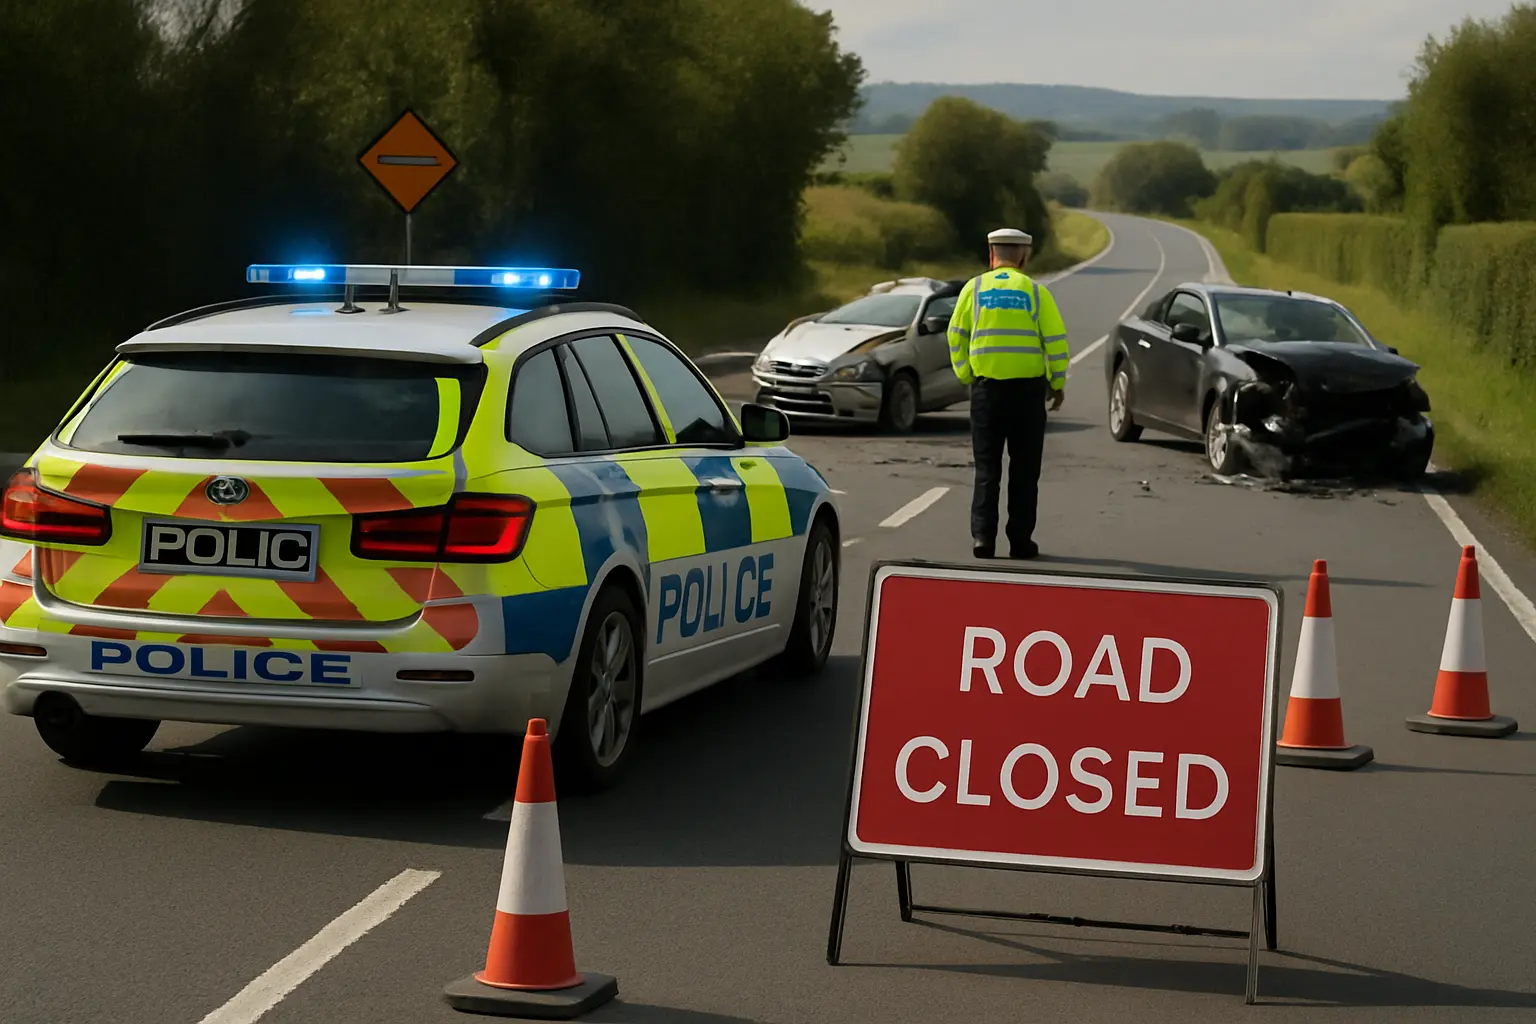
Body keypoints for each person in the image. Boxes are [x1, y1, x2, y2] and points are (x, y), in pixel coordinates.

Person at [947, 227, 1069, 560]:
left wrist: (967, 375)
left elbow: (955, 335)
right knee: (1025, 470)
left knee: (987, 469)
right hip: (1028, 395)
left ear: (991, 255)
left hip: (986, 391)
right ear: (1024, 256)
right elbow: (1056, 343)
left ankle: (983, 539)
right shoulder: (1035, 291)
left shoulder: (974, 289)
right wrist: (1057, 384)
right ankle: (1020, 541)